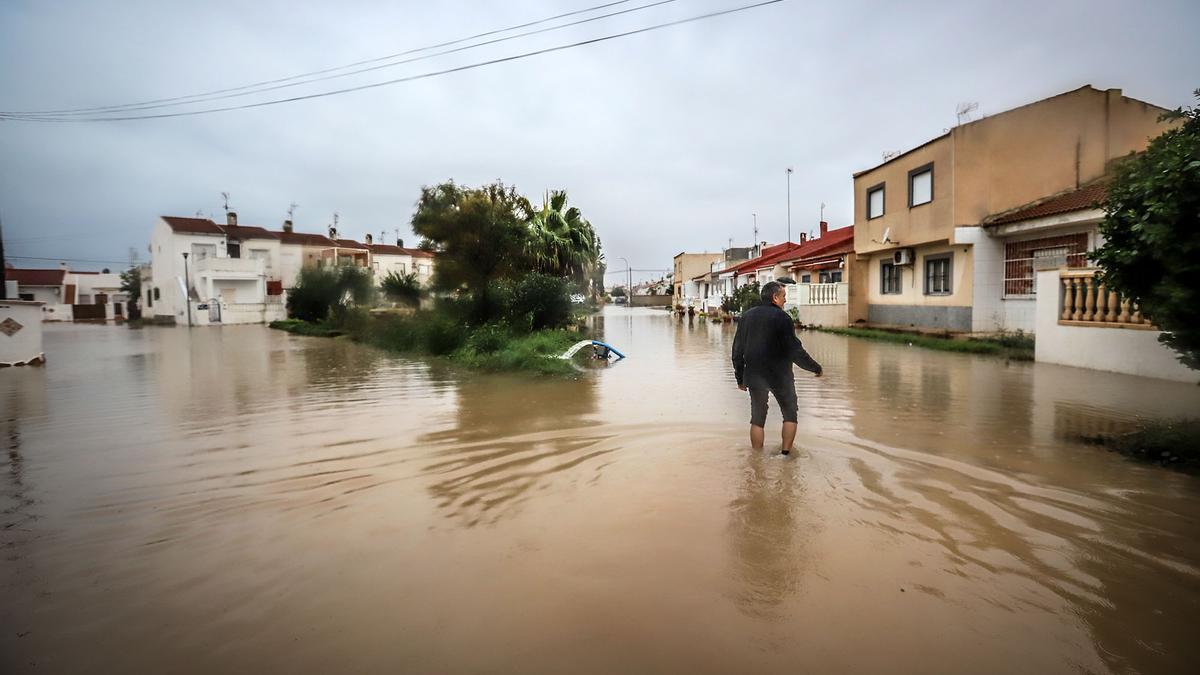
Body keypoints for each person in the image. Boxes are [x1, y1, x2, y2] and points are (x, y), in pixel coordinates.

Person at [731, 281, 823, 455]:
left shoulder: (747, 317)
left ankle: (757, 458)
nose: (785, 301)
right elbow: (795, 350)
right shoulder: (783, 318)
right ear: (775, 297)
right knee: (790, 414)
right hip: (781, 377)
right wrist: (815, 368)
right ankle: (786, 455)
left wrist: (740, 378)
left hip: (755, 375)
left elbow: (737, 350)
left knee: (757, 418)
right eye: (783, 297)